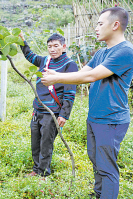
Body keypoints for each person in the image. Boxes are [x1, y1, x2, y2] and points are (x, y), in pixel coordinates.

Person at [41, 7, 133, 199]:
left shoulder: (126, 51)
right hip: (95, 117)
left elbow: (90, 76)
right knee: (96, 160)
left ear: (115, 25)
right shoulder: (102, 52)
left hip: (111, 119)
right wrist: (56, 74)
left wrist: (56, 78)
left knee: (107, 167)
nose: (96, 28)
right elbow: (83, 72)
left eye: (100, 23)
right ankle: (99, 194)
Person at [18, 32, 78, 177]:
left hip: (52, 112)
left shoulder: (69, 65)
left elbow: (70, 92)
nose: (52, 49)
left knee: (46, 144)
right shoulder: (45, 61)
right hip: (38, 110)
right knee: (35, 142)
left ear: (63, 47)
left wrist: (64, 114)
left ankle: (43, 174)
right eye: (49, 46)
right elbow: (30, 56)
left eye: (56, 46)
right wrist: (22, 41)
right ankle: (36, 169)